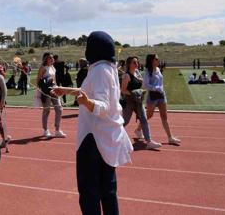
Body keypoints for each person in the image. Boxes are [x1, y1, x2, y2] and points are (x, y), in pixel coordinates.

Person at [52, 31, 132, 215]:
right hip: (107, 138)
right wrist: (68, 91)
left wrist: (88, 103)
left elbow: (101, 104)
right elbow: (92, 92)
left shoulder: (98, 70)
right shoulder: (108, 68)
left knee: (89, 194)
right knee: (108, 191)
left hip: (93, 139)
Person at [137, 54, 181, 144]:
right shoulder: (147, 71)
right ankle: (138, 130)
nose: (158, 60)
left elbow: (160, 81)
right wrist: (155, 88)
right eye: (156, 59)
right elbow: (146, 84)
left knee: (164, 117)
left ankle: (170, 137)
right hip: (153, 96)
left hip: (161, 95)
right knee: (149, 115)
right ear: (152, 60)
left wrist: (160, 88)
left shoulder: (158, 69)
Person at [121, 57, 161, 149]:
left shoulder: (137, 73)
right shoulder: (126, 76)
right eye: (134, 62)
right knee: (125, 121)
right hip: (129, 101)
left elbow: (141, 83)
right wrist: (133, 94)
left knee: (144, 119)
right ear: (129, 64)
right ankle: (112, 136)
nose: (137, 63)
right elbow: (123, 90)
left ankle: (149, 141)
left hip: (138, 100)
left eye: (137, 62)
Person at [34, 52, 65, 138]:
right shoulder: (43, 68)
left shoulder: (53, 67)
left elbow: (54, 80)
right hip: (45, 92)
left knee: (59, 109)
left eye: (52, 58)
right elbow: (38, 80)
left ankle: (57, 130)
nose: (52, 59)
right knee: (46, 110)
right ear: (45, 59)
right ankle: (46, 130)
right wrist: (42, 91)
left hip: (53, 90)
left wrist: (57, 87)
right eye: (50, 58)